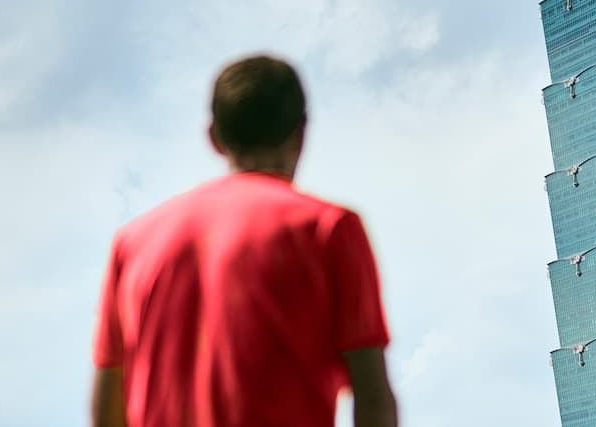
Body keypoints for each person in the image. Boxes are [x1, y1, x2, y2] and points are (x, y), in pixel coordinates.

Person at [91, 55, 397, 427]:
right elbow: (373, 396)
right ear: (300, 133)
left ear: (214, 138)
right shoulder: (328, 229)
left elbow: (109, 408)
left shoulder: (133, 243)